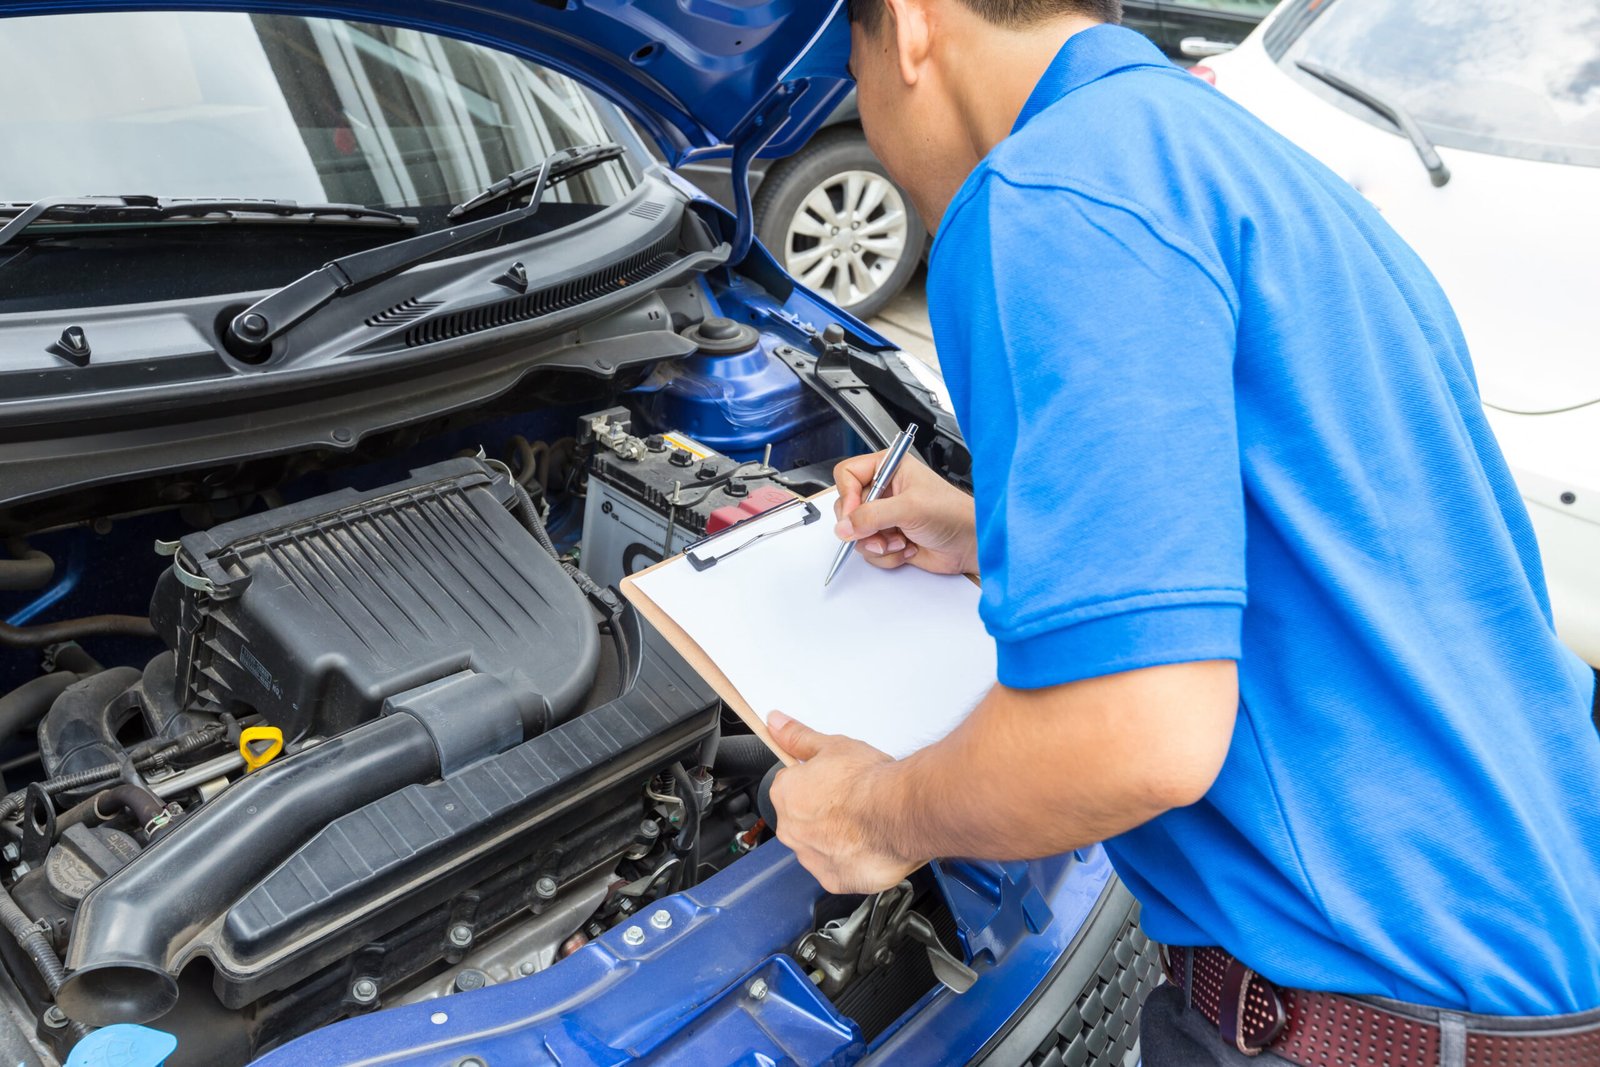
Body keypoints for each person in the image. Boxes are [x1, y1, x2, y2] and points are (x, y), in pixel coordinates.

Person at [763, 1, 1600, 1063]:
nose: (867, 118)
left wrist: (873, 812)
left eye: (851, 63)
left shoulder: (1049, 191)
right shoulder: (1231, 158)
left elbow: (1133, 732)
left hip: (1357, 1012)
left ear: (913, 26)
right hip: (1523, 954)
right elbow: (1332, 537)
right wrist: (983, 531)